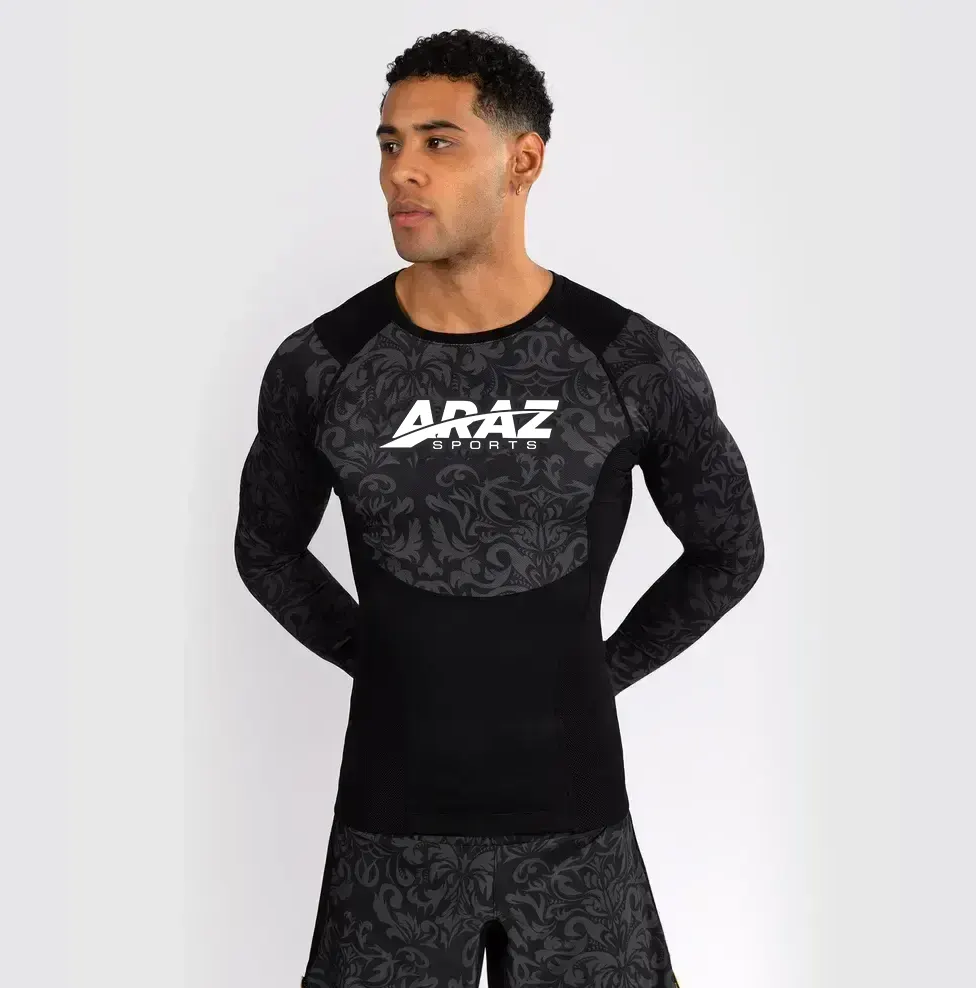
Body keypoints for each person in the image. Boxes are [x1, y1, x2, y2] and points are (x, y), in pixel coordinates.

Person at [234, 28, 764, 988]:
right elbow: (266, 548)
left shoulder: (630, 361)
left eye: (439, 142)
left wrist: (599, 669)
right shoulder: (323, 364)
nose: (402, 170)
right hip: (389, 839)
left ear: (523, 161)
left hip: (577, 837)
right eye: (390, 143)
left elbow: (729, 549)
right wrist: (380, 656)